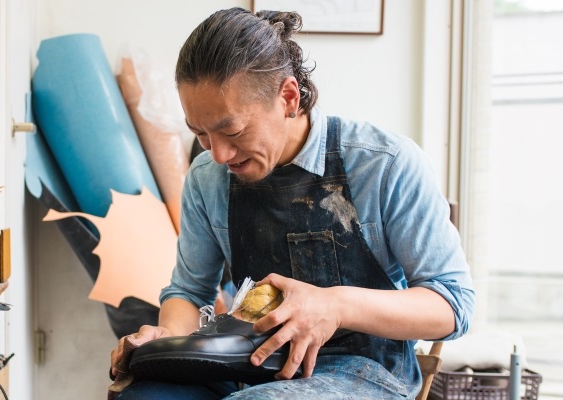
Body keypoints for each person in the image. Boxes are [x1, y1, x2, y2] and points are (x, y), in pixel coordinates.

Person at [110, 7, 475, 399]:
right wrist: (165, 340)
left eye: (231, 130)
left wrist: (334, 305)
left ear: (287, 97)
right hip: (245, 362)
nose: (218, 154)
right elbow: (189, 291)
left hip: (366, 372)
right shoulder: (207, 177)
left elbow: (452, 306)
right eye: (199, 133)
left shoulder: (386, 164)